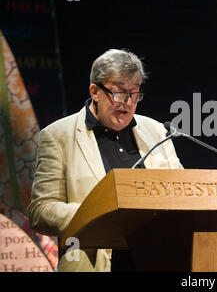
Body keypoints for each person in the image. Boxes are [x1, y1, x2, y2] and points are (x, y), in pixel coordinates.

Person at [27, 49, 183, 271]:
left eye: (134, 94)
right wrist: (99, 216)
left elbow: (181, 192)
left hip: (157, 260)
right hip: (94, 262)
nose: (127, 103)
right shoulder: (58, 135)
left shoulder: (157, 131)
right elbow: (40, 211)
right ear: (95, 91)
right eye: (118, 93)